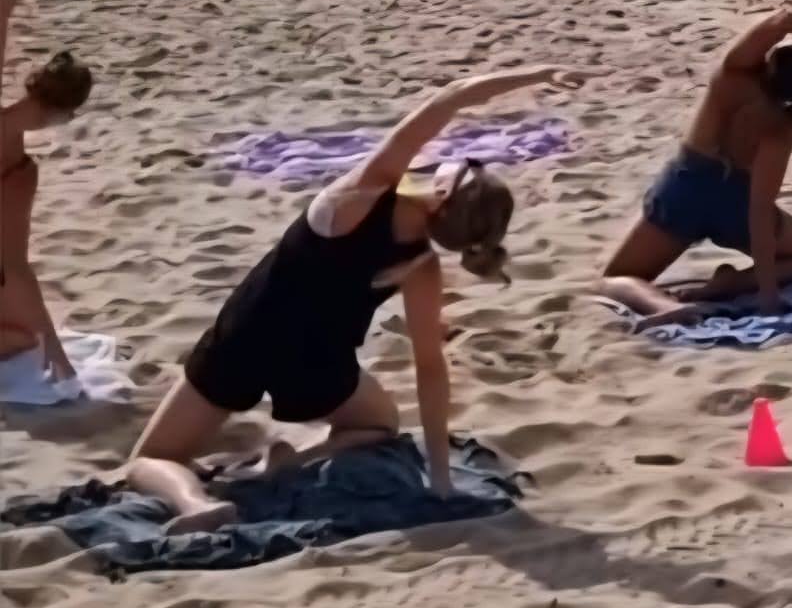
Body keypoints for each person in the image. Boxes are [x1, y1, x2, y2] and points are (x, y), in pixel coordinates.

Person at [127, 65, 589, 531]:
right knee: (378, 425)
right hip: (317, 365)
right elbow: (431, 368)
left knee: (151, 457)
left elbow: (449, 97)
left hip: (246, 336)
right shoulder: (421, 266)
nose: (458, 158)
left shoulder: (362, 195)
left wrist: (539, 73)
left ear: (445, 190)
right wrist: (442, 479)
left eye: (467, 165)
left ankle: (195, 505)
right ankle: (294, 460)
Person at [601, 7, 792, 322]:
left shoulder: (732, 72)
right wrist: (767, 293)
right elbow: (760, 210)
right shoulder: (781, 127)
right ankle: (732, 283)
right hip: (733, 206)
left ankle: (665, 307)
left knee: (618, 276)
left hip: (684, 188)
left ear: (774, 60)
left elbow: (784, 18)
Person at [0, 0, 93, 382]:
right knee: (22, 341)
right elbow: (15, 266)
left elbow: (2, 9)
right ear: (59, 112)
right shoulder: (17, 171)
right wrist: (53, 344)